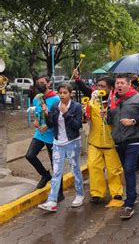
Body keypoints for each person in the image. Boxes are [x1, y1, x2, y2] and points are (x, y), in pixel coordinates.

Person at [38, 83, 84, 212]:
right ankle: (52, 200)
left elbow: (77, 126)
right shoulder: (55, 106)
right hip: (58, 143)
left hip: (72, 142)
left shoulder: (76, 107)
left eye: (65, 93)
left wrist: (66, 113)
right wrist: (47, 114)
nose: (62, 95)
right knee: (57, 172)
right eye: (60, 93)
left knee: (75, 169)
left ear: (71, 94)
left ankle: (80, 195)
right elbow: (51, 124)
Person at [107, 74, 139, 219]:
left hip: (133, 140)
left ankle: (129, 204)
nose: (119, 85)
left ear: (129, 84)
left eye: (122, 83)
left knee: (129, 169)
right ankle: (132, 194)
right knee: (126, 170)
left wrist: (133, 121)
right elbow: (111, 121)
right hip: (118, 140)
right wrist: (107, 114)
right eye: (117, 83)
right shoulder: (114, 99)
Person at [83, 77, 124, 206]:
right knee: (94, 167)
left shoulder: (117, 102)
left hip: (111, 142)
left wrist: (109, 114)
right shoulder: (93, 101)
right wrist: (85, 113)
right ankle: (97, 194)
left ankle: (116, 192)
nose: (99, 89)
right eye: (98, 86)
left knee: (113, 169)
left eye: (103, 86)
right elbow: (86, 119)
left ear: (110, 88)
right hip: (95, 141)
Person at [25, 75, 64, 201]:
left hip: (52, 135)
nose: (39, 85)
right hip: (39, 133)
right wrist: (36, 121)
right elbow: (36, 113)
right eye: (38, 83)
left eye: (42, 82)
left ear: (48, 83)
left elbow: (58, 118)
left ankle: (59, 192)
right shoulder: (37, 98)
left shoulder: (55, 98)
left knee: (55, 164)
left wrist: (48, 124)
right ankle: (45, 175)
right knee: (30, 155)